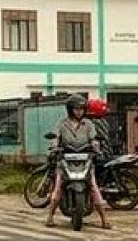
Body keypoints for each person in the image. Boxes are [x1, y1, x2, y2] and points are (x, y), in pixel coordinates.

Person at [44, 95, 111, 229]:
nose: (79, 112)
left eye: (81, 109)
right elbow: (55, 137)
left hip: (85, 160)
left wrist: (96, 149)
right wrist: (54, 148)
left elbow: (94, 139)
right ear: (70, 110)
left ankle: (104, 219)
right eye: (76, 109)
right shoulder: (62, 124)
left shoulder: (88, 124)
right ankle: (50, 216)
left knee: (93, 186)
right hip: (65, 159)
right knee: (58, 186)